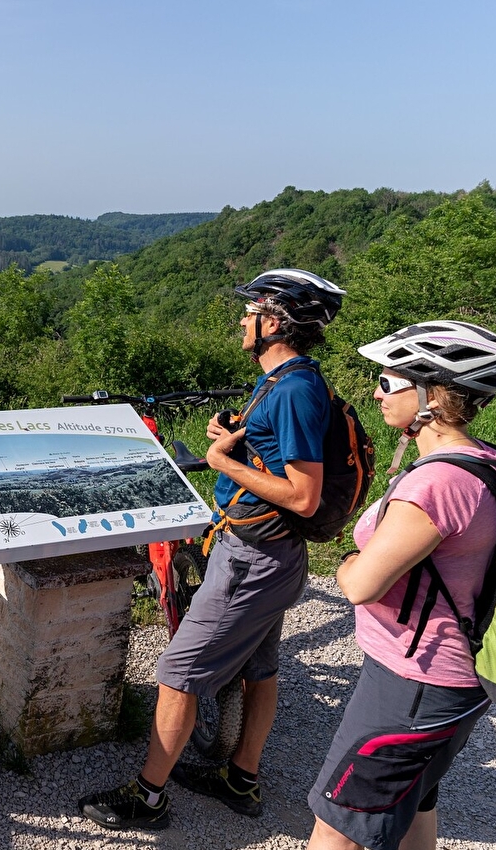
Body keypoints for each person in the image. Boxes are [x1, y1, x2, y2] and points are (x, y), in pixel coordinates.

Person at [79, 268, 346, 830]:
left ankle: (147, 797)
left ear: (274, 323)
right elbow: (277, 453)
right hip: (270, 555)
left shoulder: (294, 390)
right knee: (259, 665)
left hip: (254, 558)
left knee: (177, 673)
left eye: (250, 313)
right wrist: (236, 437)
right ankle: (240, 779)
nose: (242, 320)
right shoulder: (287, 379)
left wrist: (222, 462)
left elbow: (303, 494)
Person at [307, 320, 496, 850]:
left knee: (339, 820)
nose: (376, 392)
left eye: (389, 381)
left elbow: (361, 584)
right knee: (414, 801)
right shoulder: (482, 458)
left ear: (430, 396)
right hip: (451, 677)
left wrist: (347, 563)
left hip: (415, 681)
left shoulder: (436, 484)